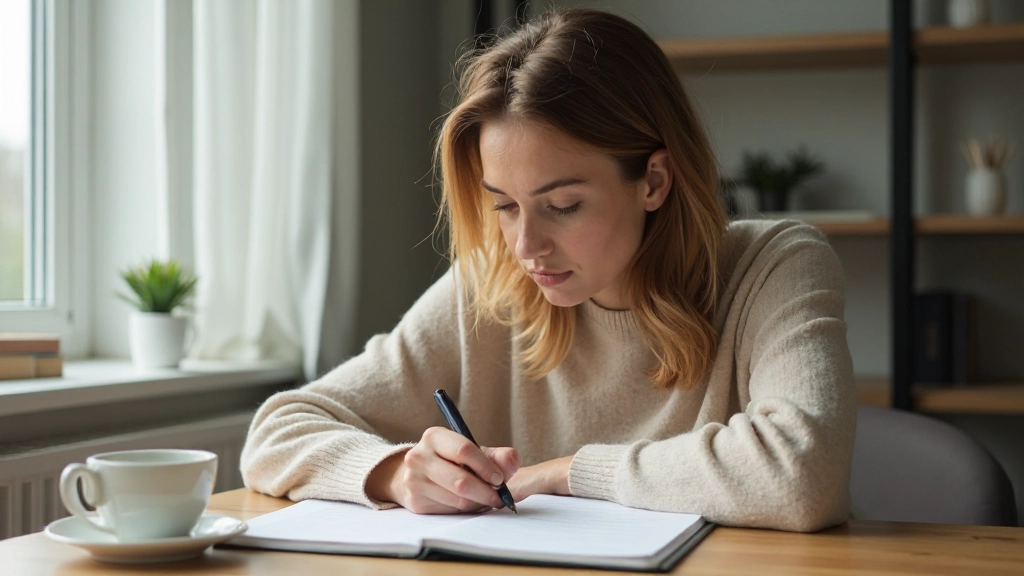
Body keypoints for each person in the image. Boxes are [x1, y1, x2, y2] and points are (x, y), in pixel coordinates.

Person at [240, 8, 855, 532]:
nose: (525, 245)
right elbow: (277, 431)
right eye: (504, 206)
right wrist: (396, 473)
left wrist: (565, 473)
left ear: (654, 181)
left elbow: (801, 473)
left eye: (562, 206)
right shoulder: (491, 285)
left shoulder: (775, 266)